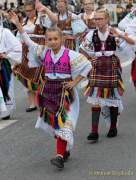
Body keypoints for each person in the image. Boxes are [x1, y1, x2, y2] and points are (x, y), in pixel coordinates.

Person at [9, 11, 91, 169]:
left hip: (66, 94)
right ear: (46, 40)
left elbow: (87, 65)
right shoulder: (44, 51)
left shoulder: (70, 54)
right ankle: (64, 149)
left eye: (55, 39)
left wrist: (75, 81)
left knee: (64, 124)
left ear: (62, 39)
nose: (52, 42)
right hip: (48, 92)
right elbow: (28, 42)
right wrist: (18, 25)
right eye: (49, 39)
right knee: (55, 124)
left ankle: (59, 156)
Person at [80, 9, 135, 143]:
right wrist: (89, 60)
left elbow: (132, 42)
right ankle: (94, 131)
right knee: (95, 98)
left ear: (107, 19)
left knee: (113, 97)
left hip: (111, 65)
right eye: (96, 19)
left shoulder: (114, 32)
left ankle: (113, 127)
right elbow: (82, 49)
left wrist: (120, 36)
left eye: (100, 18)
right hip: (97, 66)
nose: (97, 21)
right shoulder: (91, 34)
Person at [0, 24, 22, 119]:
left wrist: (7, 55)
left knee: (4, 87)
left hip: (2, 65)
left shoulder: (4, 32)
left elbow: (18, 48)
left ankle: (4, 111)